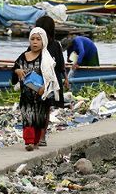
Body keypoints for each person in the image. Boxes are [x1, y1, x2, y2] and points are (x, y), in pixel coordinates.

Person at [12, 28, 60, 151]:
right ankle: (29, 142)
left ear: (43, 41)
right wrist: (17, 71)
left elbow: (50, 77)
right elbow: (15, 69)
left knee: (39, 119)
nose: (35, 42)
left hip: (41, 96)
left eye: (38, 39)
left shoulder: (46, 59)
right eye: (32, 39)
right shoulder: (23, 56)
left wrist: (45, 87)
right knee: (27, 117)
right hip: (26, 95)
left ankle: (36, 141)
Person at [33, 16, 67, 147]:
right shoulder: (36, 45)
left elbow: (61, 65)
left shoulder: (55, 45)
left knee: (44, 109)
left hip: (50, 83)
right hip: (38, 81)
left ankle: (41, 136)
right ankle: (38, 136)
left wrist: (66, 79)